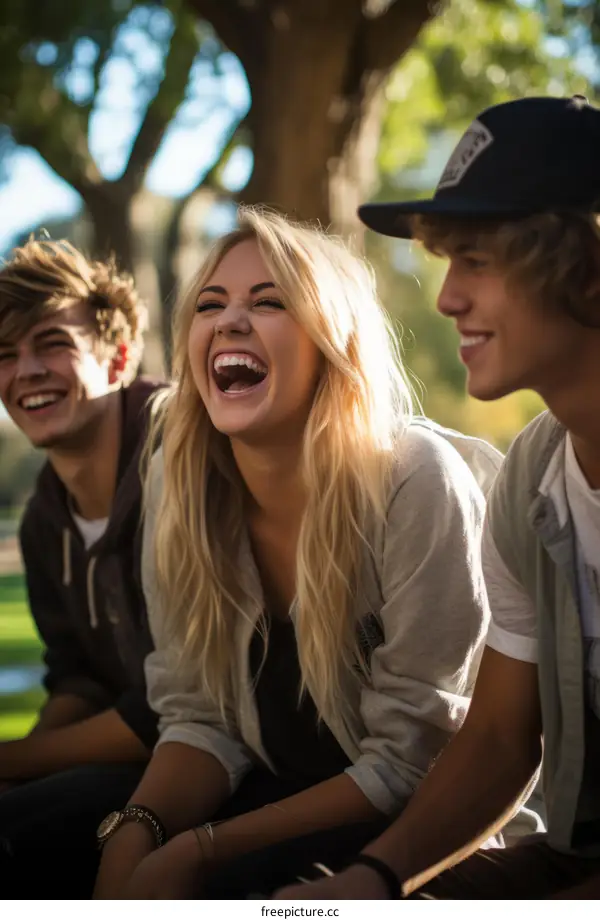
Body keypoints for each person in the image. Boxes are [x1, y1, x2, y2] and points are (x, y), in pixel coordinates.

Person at [92, 206, 538, 900]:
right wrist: (136, 832)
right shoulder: (175, 482)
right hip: (271, 798)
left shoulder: (414, 479)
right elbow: (200, 717)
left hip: (420, 847)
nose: (230, 321)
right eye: (211, 305)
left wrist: (202, 849)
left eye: (269, 302)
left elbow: (411, 763)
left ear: (335, 341)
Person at [275, 94, 600, 900]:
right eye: (447, 260)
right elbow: (495, 737)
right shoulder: (532, 480)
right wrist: (374, 881)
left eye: (478, 260)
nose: (448, 297)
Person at [0, 240, 165, 895]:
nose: (26, 371)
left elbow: (185, 701)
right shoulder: (44, 518)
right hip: (144, 756)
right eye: (5, 356)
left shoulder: (182, 459)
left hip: (244, 762)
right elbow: (78, 674)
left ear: (119, 358)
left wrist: (15, 757)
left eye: (52, 344)